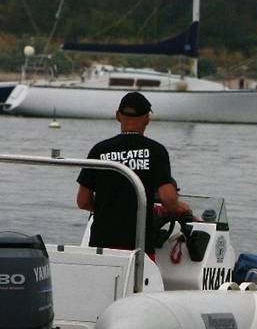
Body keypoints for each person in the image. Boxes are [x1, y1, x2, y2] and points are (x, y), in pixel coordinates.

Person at [76, 91, 190, 254]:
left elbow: (82, 201)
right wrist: (181, 208)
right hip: (138, 248)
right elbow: (168, 199)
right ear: (147, 119)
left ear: (117, 116)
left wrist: (108, 209)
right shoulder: (155, 151)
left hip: (101, 246)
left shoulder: (99, 150)